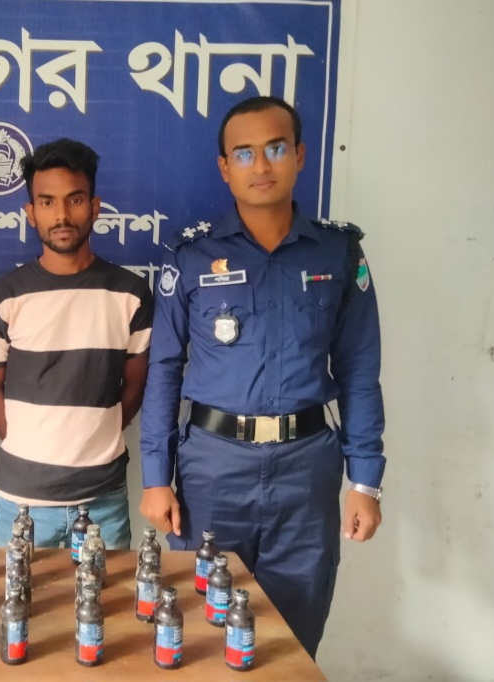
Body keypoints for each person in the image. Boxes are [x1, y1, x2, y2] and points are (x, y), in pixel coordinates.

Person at [139, 96, 385, 657]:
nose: (262, 165)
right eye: (244, 153)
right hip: (213, 471)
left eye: (275, 148)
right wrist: (156, 476)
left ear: (300, 155)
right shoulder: (191, 255)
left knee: (292, 640)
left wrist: (365, 482)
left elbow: (358, 370)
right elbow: (164, 369)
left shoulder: (338, 252)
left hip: (306, 472)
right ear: (225, 167)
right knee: (201, 635)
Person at [0, 138, 153, 549]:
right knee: (15, 596)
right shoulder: (3, 297)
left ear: (95, 206)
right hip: (22, 502)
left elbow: (136, 384)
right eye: (47, 202)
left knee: (108, 595)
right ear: (30, 212)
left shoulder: (130, 294)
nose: (62, 215)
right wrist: (30, 451)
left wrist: (95, 439)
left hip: (103, 500)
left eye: (75, 200)